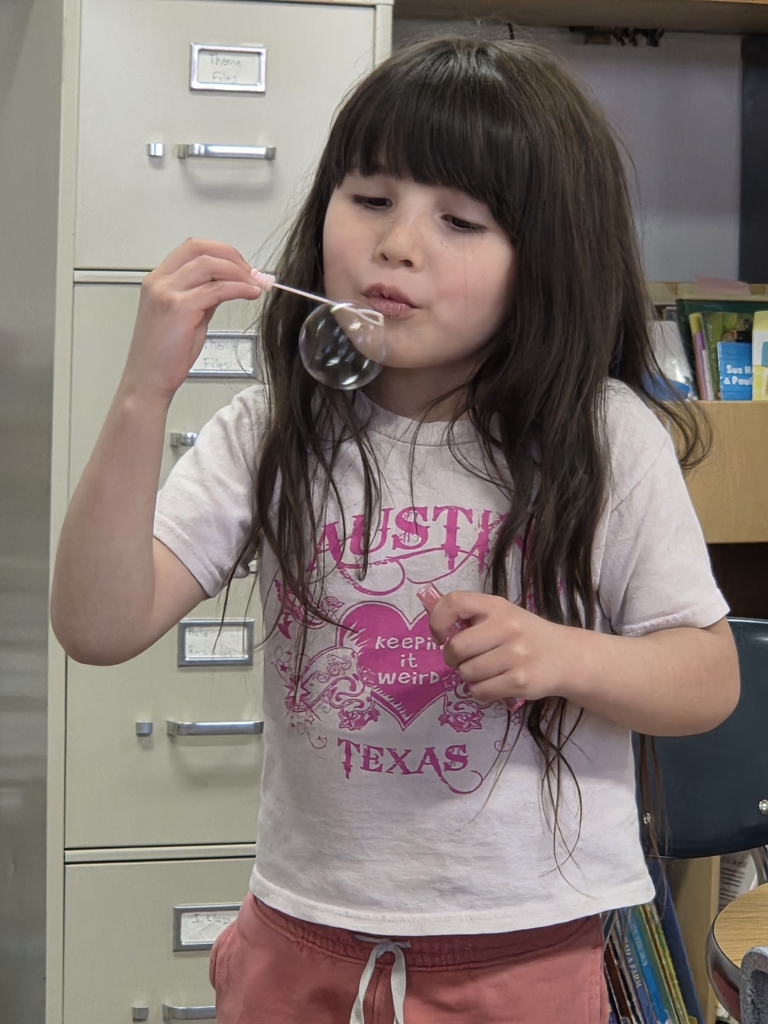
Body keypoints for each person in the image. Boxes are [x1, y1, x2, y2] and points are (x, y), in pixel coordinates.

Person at [51, 35, 740, 1024]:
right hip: (299, 940)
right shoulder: (274, 426)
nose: (398, 244)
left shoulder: (602, 436)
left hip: (527, 950)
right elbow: (98, 624)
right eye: (370, 198)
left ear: (547, 259)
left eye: (459, 220)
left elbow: (708, 678)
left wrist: (562, 655)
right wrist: (140, 394)